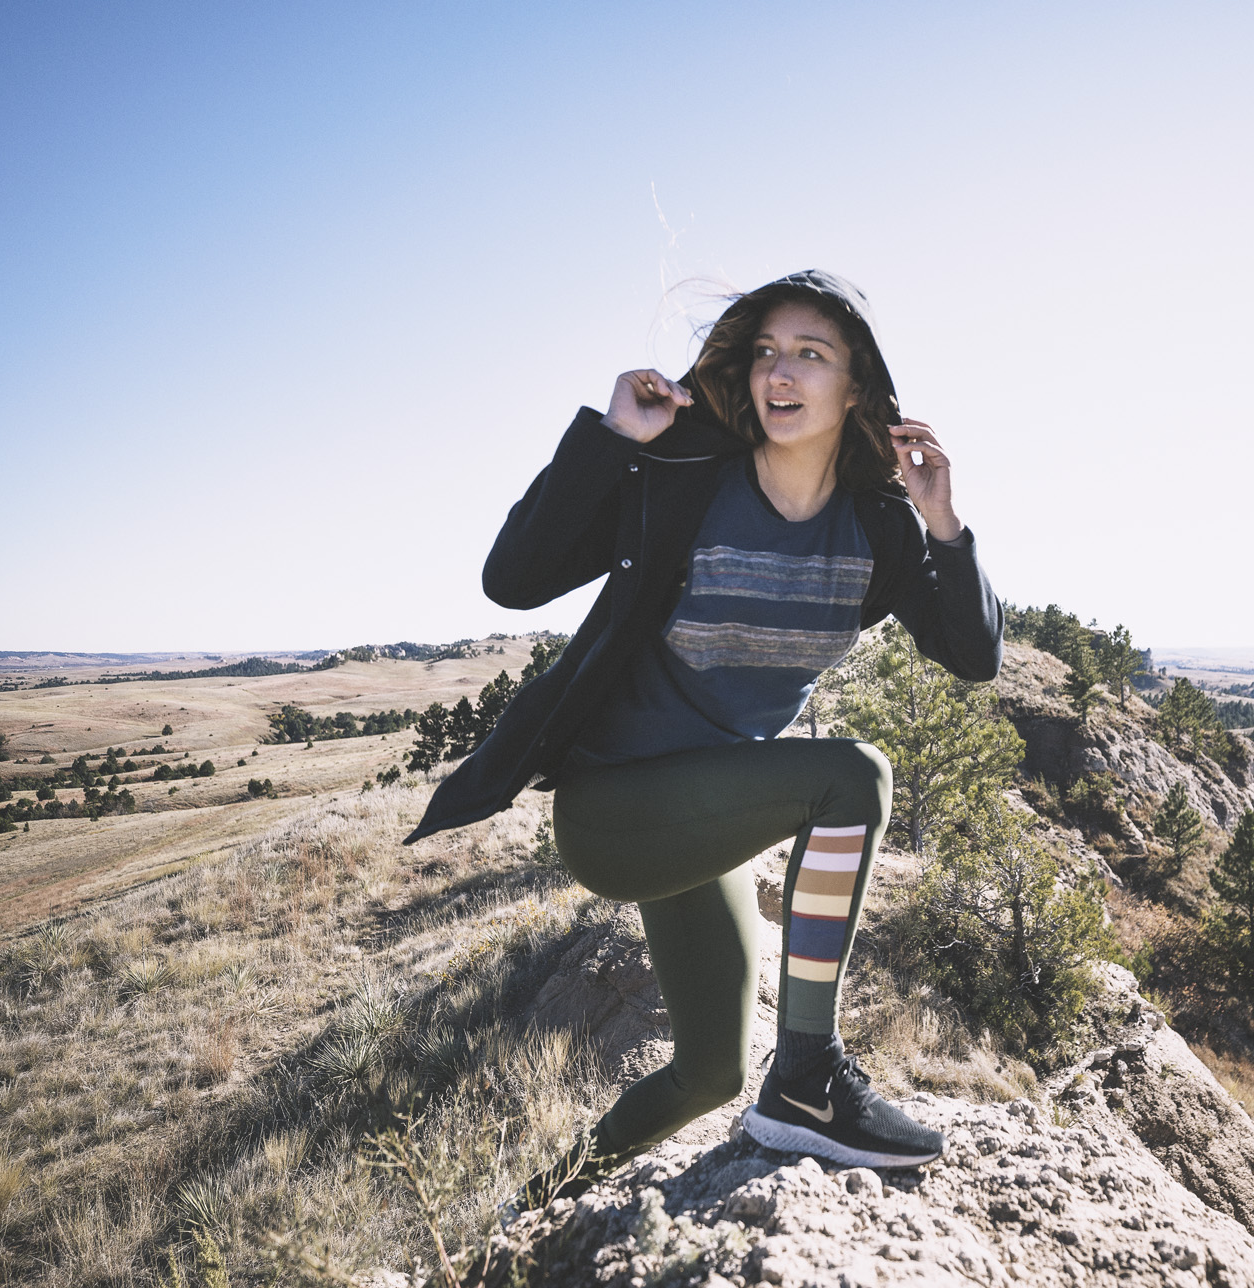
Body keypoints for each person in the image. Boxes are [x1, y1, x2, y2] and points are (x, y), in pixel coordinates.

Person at [404, 271, 1002, 1206]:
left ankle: (528, 1218)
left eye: (812, 353)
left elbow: (971, 655)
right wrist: (610, 442)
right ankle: (810, 1076)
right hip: (615, 804)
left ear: (857, 387)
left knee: (710, 1073)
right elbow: (511, 580)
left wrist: (945, 523)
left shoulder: (879, 522)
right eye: (766, 350)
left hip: (705, 806)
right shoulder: (685, 474)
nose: (780, 371)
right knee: (855, 778)